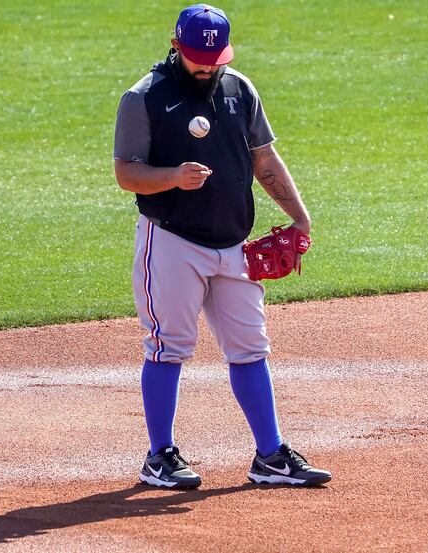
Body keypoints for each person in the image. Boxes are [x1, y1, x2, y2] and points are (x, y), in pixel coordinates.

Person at [113, 4, 331, 489]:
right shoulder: (143, 98)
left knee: (250, 347)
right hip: (171, 240)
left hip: (233, 243)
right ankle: (159, 457)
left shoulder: (239, 89)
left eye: (216, 58)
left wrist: (299, 214)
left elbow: (263, 156)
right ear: (175, 46)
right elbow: (126, 172)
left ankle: (270, 456)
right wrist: (172, 177)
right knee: (169, 347)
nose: (209, 67)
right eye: (198, 58)